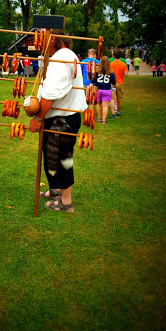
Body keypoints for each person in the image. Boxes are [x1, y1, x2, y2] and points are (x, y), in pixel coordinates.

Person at [29, 30, 86, 212]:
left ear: (51, 39)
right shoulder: (61, 56)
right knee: (52, 155)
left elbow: (51, 93)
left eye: (41, 36)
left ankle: (66, 202)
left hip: (63, 118)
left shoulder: (62, 58)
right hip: (59, 116)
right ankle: (56, 190)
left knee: (62, 158)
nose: (37, 41)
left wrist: (38, 118)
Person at [94, 56, 116, 125]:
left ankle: (99, 118)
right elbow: (113, 81)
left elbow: (93, 80)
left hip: (99, 89)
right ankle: (104, 120)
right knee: (105, 105)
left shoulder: (97, 70)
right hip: (107, 90)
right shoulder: (110, 71)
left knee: (98, 104)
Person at [110, 48, 128, 118]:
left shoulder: (110, 64)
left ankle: (112, 113)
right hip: (120, 83)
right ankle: (119, 111)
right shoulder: (123, 64)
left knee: (112, 99)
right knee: (119, 99)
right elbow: (126, 74)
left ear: (113, 55)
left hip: (112, 84)